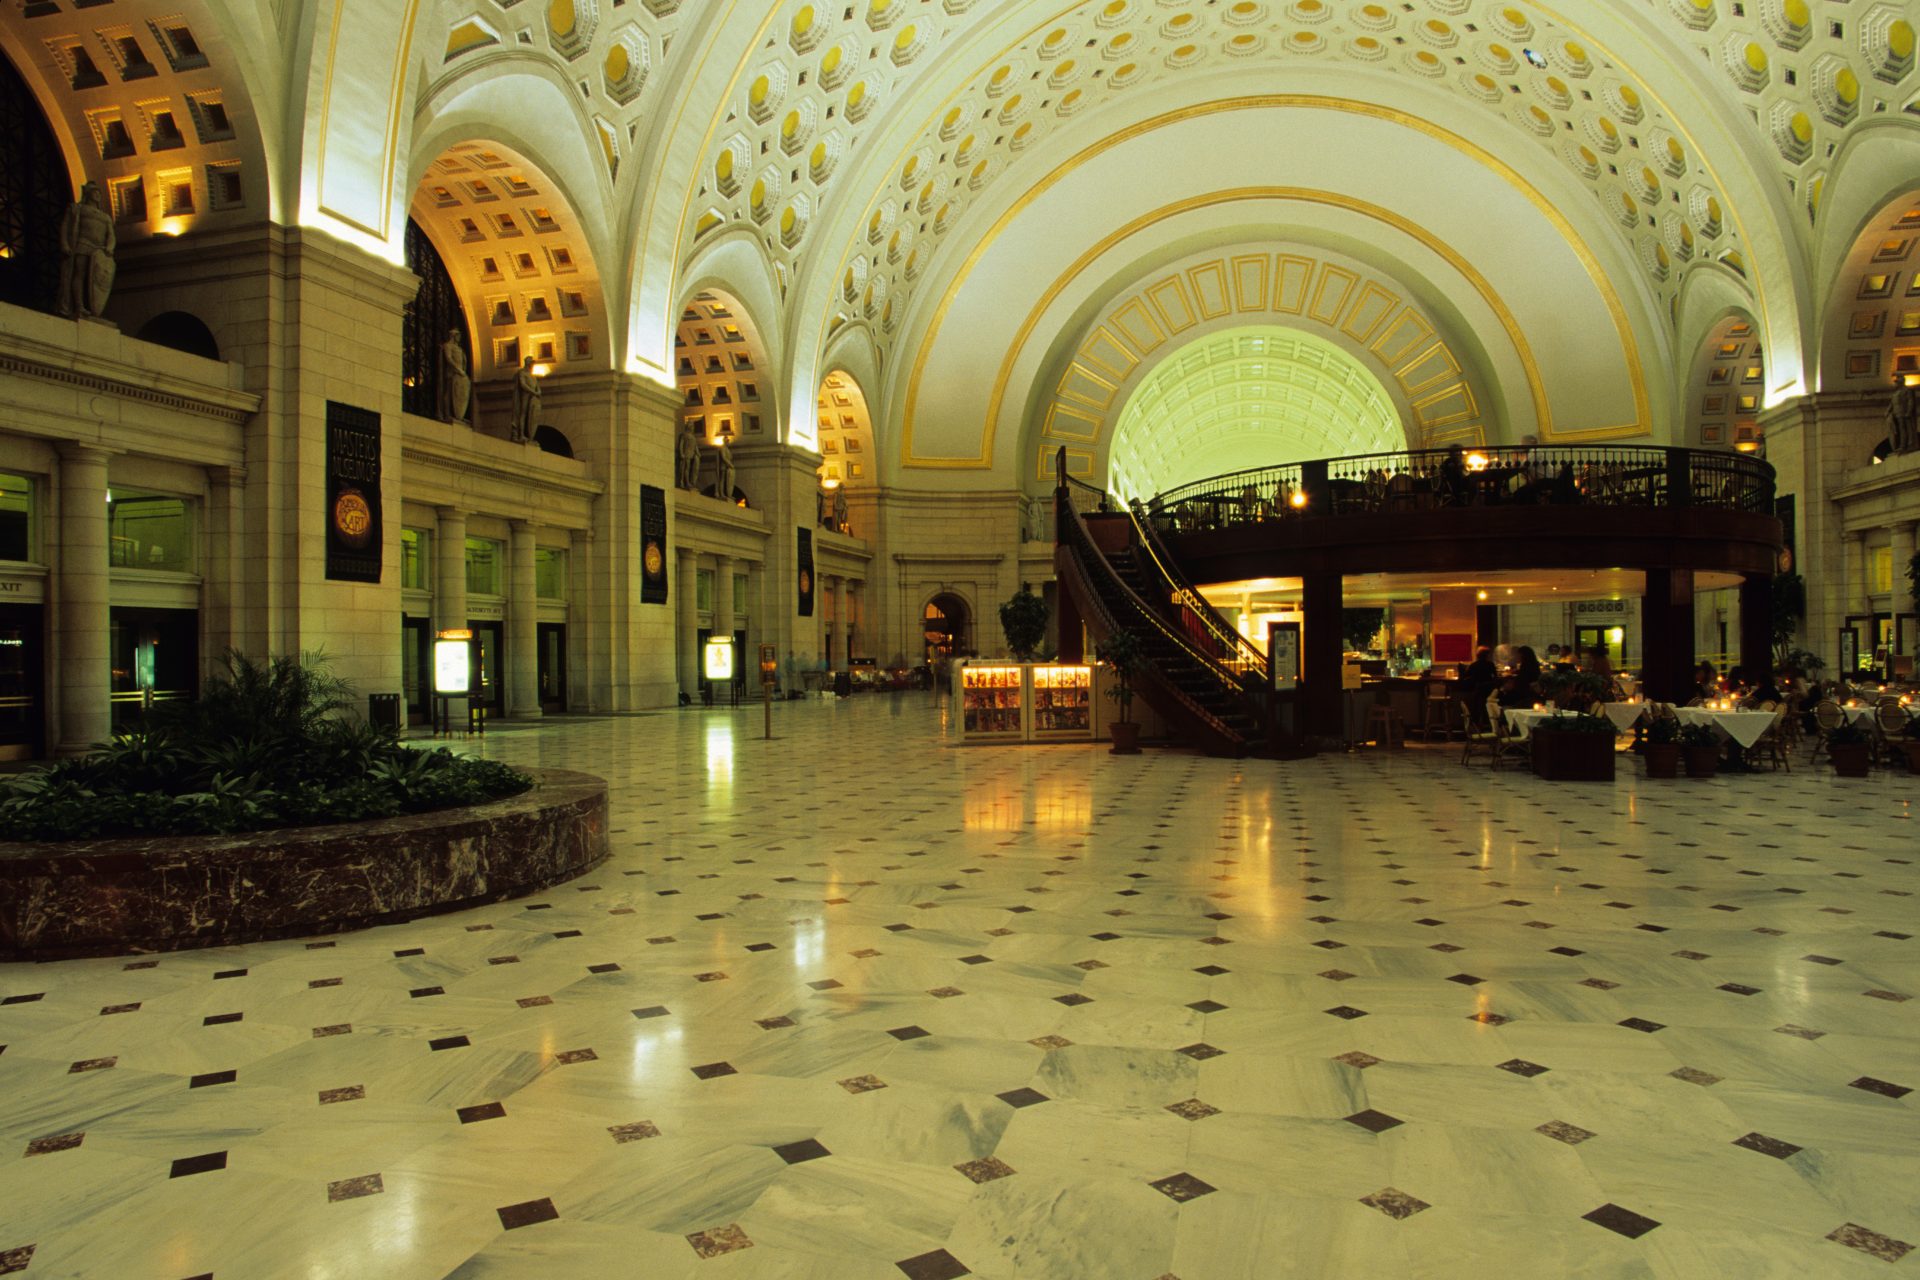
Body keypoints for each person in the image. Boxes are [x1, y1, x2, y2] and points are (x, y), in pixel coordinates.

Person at [59, 182, 116, 320]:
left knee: (96, 279)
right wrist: (65, 244)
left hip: (99, 251)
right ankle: (79, 305)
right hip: (83, 244)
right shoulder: (78, 209)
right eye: (95, 192)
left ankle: (93, 308)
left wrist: (110, 247)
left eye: (99, 193)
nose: (98, 195)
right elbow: (65, 228)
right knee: (80, 274)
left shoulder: (105, 217)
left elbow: (111, 235)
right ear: (88, 194)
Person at [438, 330, 471, 425]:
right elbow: (448, 359)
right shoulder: (448, 346)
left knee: (458, 394)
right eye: (458, 335)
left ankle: (458, 415)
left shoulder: (459, 348)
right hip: (452, 373)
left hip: (460, 375)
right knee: (448, 393)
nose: (459, 338)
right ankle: (447, 413)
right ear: (453, 336)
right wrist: (458, 369)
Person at [510, 357, 540, 444]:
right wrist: (533, 392)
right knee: (523, 414)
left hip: (532, 397)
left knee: (529, 415)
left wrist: (537, 392)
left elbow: (538, 387)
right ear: (528, 363)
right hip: (525, 396)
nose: (533, 365)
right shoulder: (522, 373)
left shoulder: (533, 376)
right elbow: (523, 385)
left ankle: (529, 435)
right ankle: (521, 434)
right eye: (532, 363)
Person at [1886, 374, 1919, 456]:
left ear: (1901, 382)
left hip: (1904, 413)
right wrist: (1888, 411)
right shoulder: (1895, 393)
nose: (1895, 384)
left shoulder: (1907, 391)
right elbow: (1892, 404)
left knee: (1904, 429)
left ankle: (1904, 445)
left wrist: (1908, 411)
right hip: (1896, 414)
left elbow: (1910, 401)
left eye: (1897, 382)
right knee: (1898, 430)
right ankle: (1899, 445)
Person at [679, 424, 703, 491]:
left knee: (690, 469)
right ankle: (685, 482)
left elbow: (695, 447)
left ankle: (689, 481)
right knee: (686, 468)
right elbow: (681, 444)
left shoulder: (693, 437)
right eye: (692, 427)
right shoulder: (684, 435)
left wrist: (698, 453)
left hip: (692, 454)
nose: (693, 428)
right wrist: (681, 453)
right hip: (686, 453)